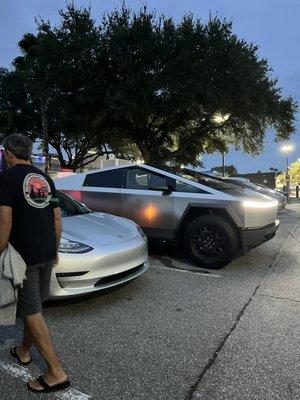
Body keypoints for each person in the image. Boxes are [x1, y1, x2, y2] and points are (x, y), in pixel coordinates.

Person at [0, 134, 70, 393]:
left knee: (31, 311)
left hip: (24, 256)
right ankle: (24, 350)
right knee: (35, 307)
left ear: (8, 153)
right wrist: (55, 249)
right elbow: (57, 218)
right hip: (45, 252)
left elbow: (4, 221)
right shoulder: (45, 179)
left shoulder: (6, 179)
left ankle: (55, 372)